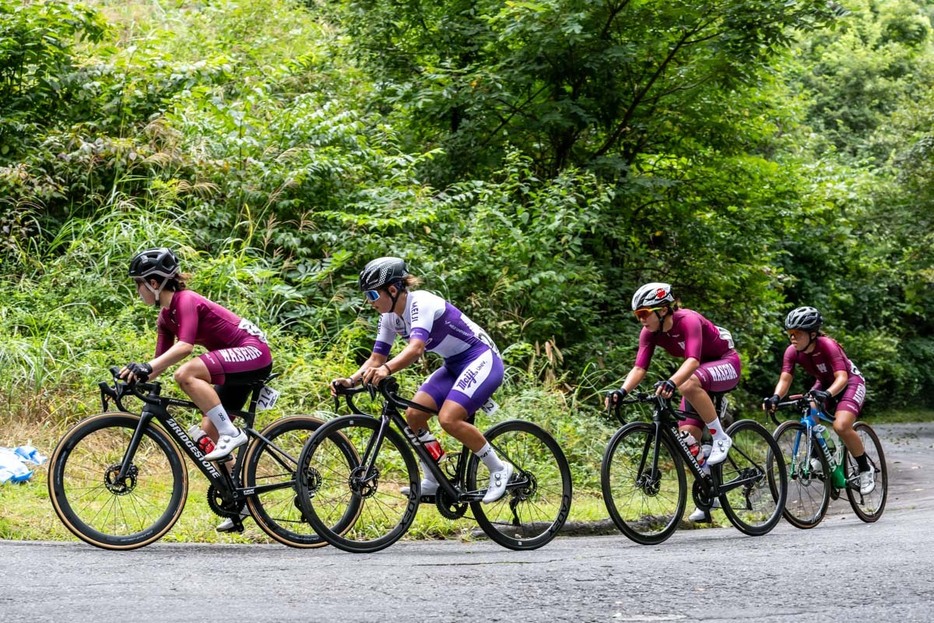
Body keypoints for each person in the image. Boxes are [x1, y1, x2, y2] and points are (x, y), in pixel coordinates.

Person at [330, 257, 512, 504]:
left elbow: (416, 350)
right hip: (454, 365)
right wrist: (351, 381)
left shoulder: (421, 303)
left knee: (449, 419)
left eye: (372, 294)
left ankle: (499, 468)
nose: (369, 301)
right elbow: (376, 357)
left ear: (392, 290)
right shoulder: (389, 318)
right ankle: (434, 479)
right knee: (414, 416)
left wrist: (386, 369)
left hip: (481, 359)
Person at [119, 247, 273, 531]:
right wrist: (135, 375)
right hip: (233, 365)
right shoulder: (165, 318)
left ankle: (232, 433)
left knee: (186, 373)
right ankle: (239, 504)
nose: (137, 290)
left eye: (138, 284)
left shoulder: (185, 300)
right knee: (206, 436)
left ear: (153, 283)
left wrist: (146, 366)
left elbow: (185, 347)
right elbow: (157, 364)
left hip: (253, 352)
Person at [607, 282, 740, 522]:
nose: (641, 320)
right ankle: (710, 492)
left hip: (725, 362)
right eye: (638, 315)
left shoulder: (688, 320)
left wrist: (670, 382)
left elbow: (692, 360)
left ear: (663, 309)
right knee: (687, 438)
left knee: (687, 384)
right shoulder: (649, 333)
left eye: (644, 314)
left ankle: (721, 436)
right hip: (699, 375)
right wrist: (622, 391)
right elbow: (639, 368)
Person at [762, 306, 873, 494]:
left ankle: (865, 469)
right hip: (824, 383)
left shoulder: (827, 345)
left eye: (797, 333)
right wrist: (775, 397)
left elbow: (842, 378)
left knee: (841, 426)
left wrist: (828, 394)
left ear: (812, 334)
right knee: (809, 407)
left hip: (850, 382)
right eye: (790, 334)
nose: (792, 338)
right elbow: (785, 378)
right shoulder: (792, 351)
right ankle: (822, 451)